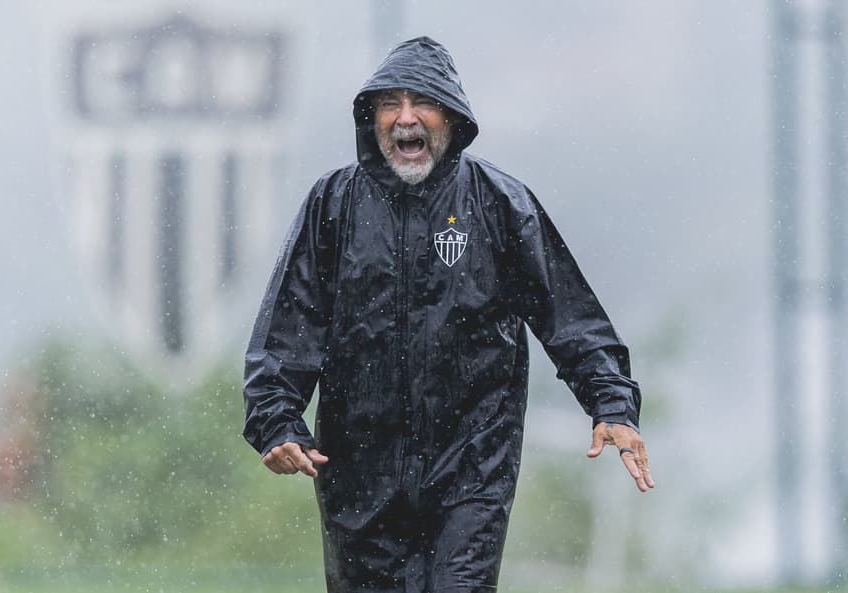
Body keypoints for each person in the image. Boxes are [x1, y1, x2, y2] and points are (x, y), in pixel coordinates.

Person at [243, 36, 653, 593]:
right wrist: (276, 420)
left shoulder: (500, 203)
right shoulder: (333, 204)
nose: (405, 119)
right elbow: (290, 325)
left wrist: (612, 404)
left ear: (451, 118)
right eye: (390, 104)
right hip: (359, 475)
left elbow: (568, 313)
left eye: (422, 103)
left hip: (472, 470)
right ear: (372, 118)